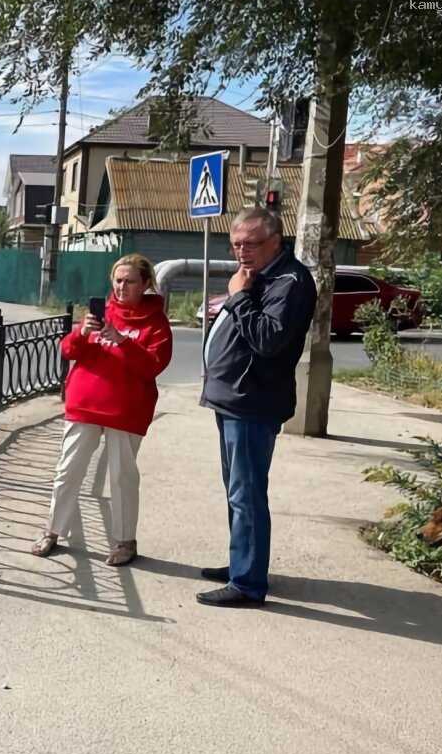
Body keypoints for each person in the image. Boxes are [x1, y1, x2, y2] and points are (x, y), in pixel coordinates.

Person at [197, 207, 316, 607]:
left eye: (251, 243)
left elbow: (268, 339)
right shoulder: (260, 276)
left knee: (246, 494)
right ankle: (241, 564)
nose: (242, 252)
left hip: (253, 402)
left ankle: (248, 584)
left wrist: (239, 297)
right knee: (237, 492)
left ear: (275, 241)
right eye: (236, 245)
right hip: (233, 398)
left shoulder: (290, 281)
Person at [30, 254, 173, 566]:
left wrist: (122, 341)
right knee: (68, 470)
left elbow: (153, 366)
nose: (122, 287)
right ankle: (53, 531)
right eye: (118, 280)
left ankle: (124, 540)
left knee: (122, 476)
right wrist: (82, 333)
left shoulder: (155, 322)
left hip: (126, 410)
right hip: (84, 405)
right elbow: (68, 350)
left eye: (130, 281)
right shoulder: (102, 313)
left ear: (145, 284)